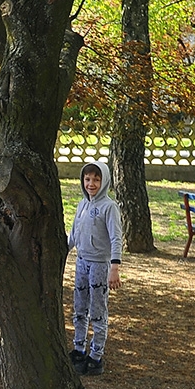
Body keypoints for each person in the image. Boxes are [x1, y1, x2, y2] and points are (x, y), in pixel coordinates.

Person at [67, 160, 123, 376]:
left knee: (97, 311)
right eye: (88, 179)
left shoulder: (109, 207)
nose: (91, 184)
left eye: (96, 180)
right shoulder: (82, 204)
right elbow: (74, 233)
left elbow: (116, 238)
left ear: (104, 181)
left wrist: (114, 267)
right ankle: (79, 348)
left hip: (100, 264)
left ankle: (96, 355)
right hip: (82, 262)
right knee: (79, 308)